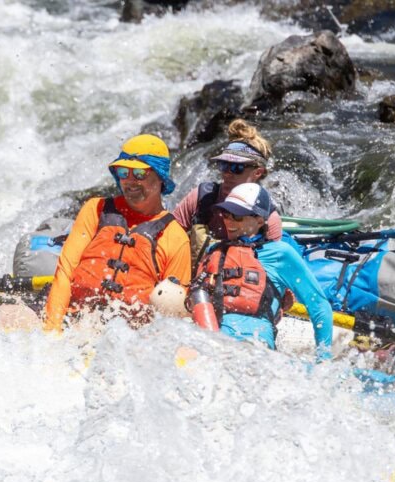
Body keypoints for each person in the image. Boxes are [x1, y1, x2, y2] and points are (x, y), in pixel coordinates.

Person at [44, 134, 191, 332]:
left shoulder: (175, 236)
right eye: (123, 172)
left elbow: (174, 314)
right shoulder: (95, 209)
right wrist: (52, 330)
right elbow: (64, 272)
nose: (130, 182)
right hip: (77, 321)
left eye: (139, 174)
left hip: (128, 338)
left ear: (160, 177)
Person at [191, 182, 333, 361]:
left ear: (259, 220)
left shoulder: (280, 253)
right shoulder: (215, 252)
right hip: (211, 343)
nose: (229, 221)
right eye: (226, 214)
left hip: (255, 349)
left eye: (237, 216)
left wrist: (323, 359)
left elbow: (319, 306)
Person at [172, 119, 283, 273]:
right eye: (224, 165)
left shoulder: (268, 220)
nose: (227, 174)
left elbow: (274, 273)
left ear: (258, 172)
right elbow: (170, 238)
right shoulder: (202, 197)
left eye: (237, 168)